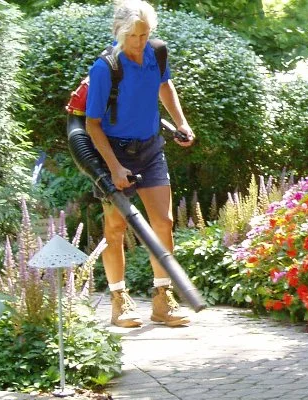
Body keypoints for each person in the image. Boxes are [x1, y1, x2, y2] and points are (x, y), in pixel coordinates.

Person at [85, 0, 194, 328]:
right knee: (116, 228)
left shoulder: (156, 53)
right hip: (114, 152)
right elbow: (92, 125)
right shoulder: (105, 67)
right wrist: (115, 168)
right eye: (134, 35)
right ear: (119, 32)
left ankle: (163, 300)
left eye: (145, 34)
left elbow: (164, 85)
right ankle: (119, 300)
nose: (140, 41)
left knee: (164, 221)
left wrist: (182, 122)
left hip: (150, 148)